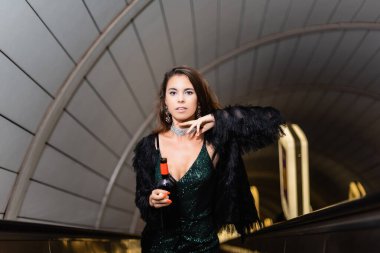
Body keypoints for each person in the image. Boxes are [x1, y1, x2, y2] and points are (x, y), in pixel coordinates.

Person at [133, 66, 285, 252]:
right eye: (173, 92)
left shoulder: (214, 142)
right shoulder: (149, 146)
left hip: (204, 247)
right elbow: (142, 196)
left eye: (188, 92)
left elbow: (272, 120)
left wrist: (218, 119)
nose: (180, 99)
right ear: (165, 101)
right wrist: (150, 200)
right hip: (159, 247)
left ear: (199, 99)